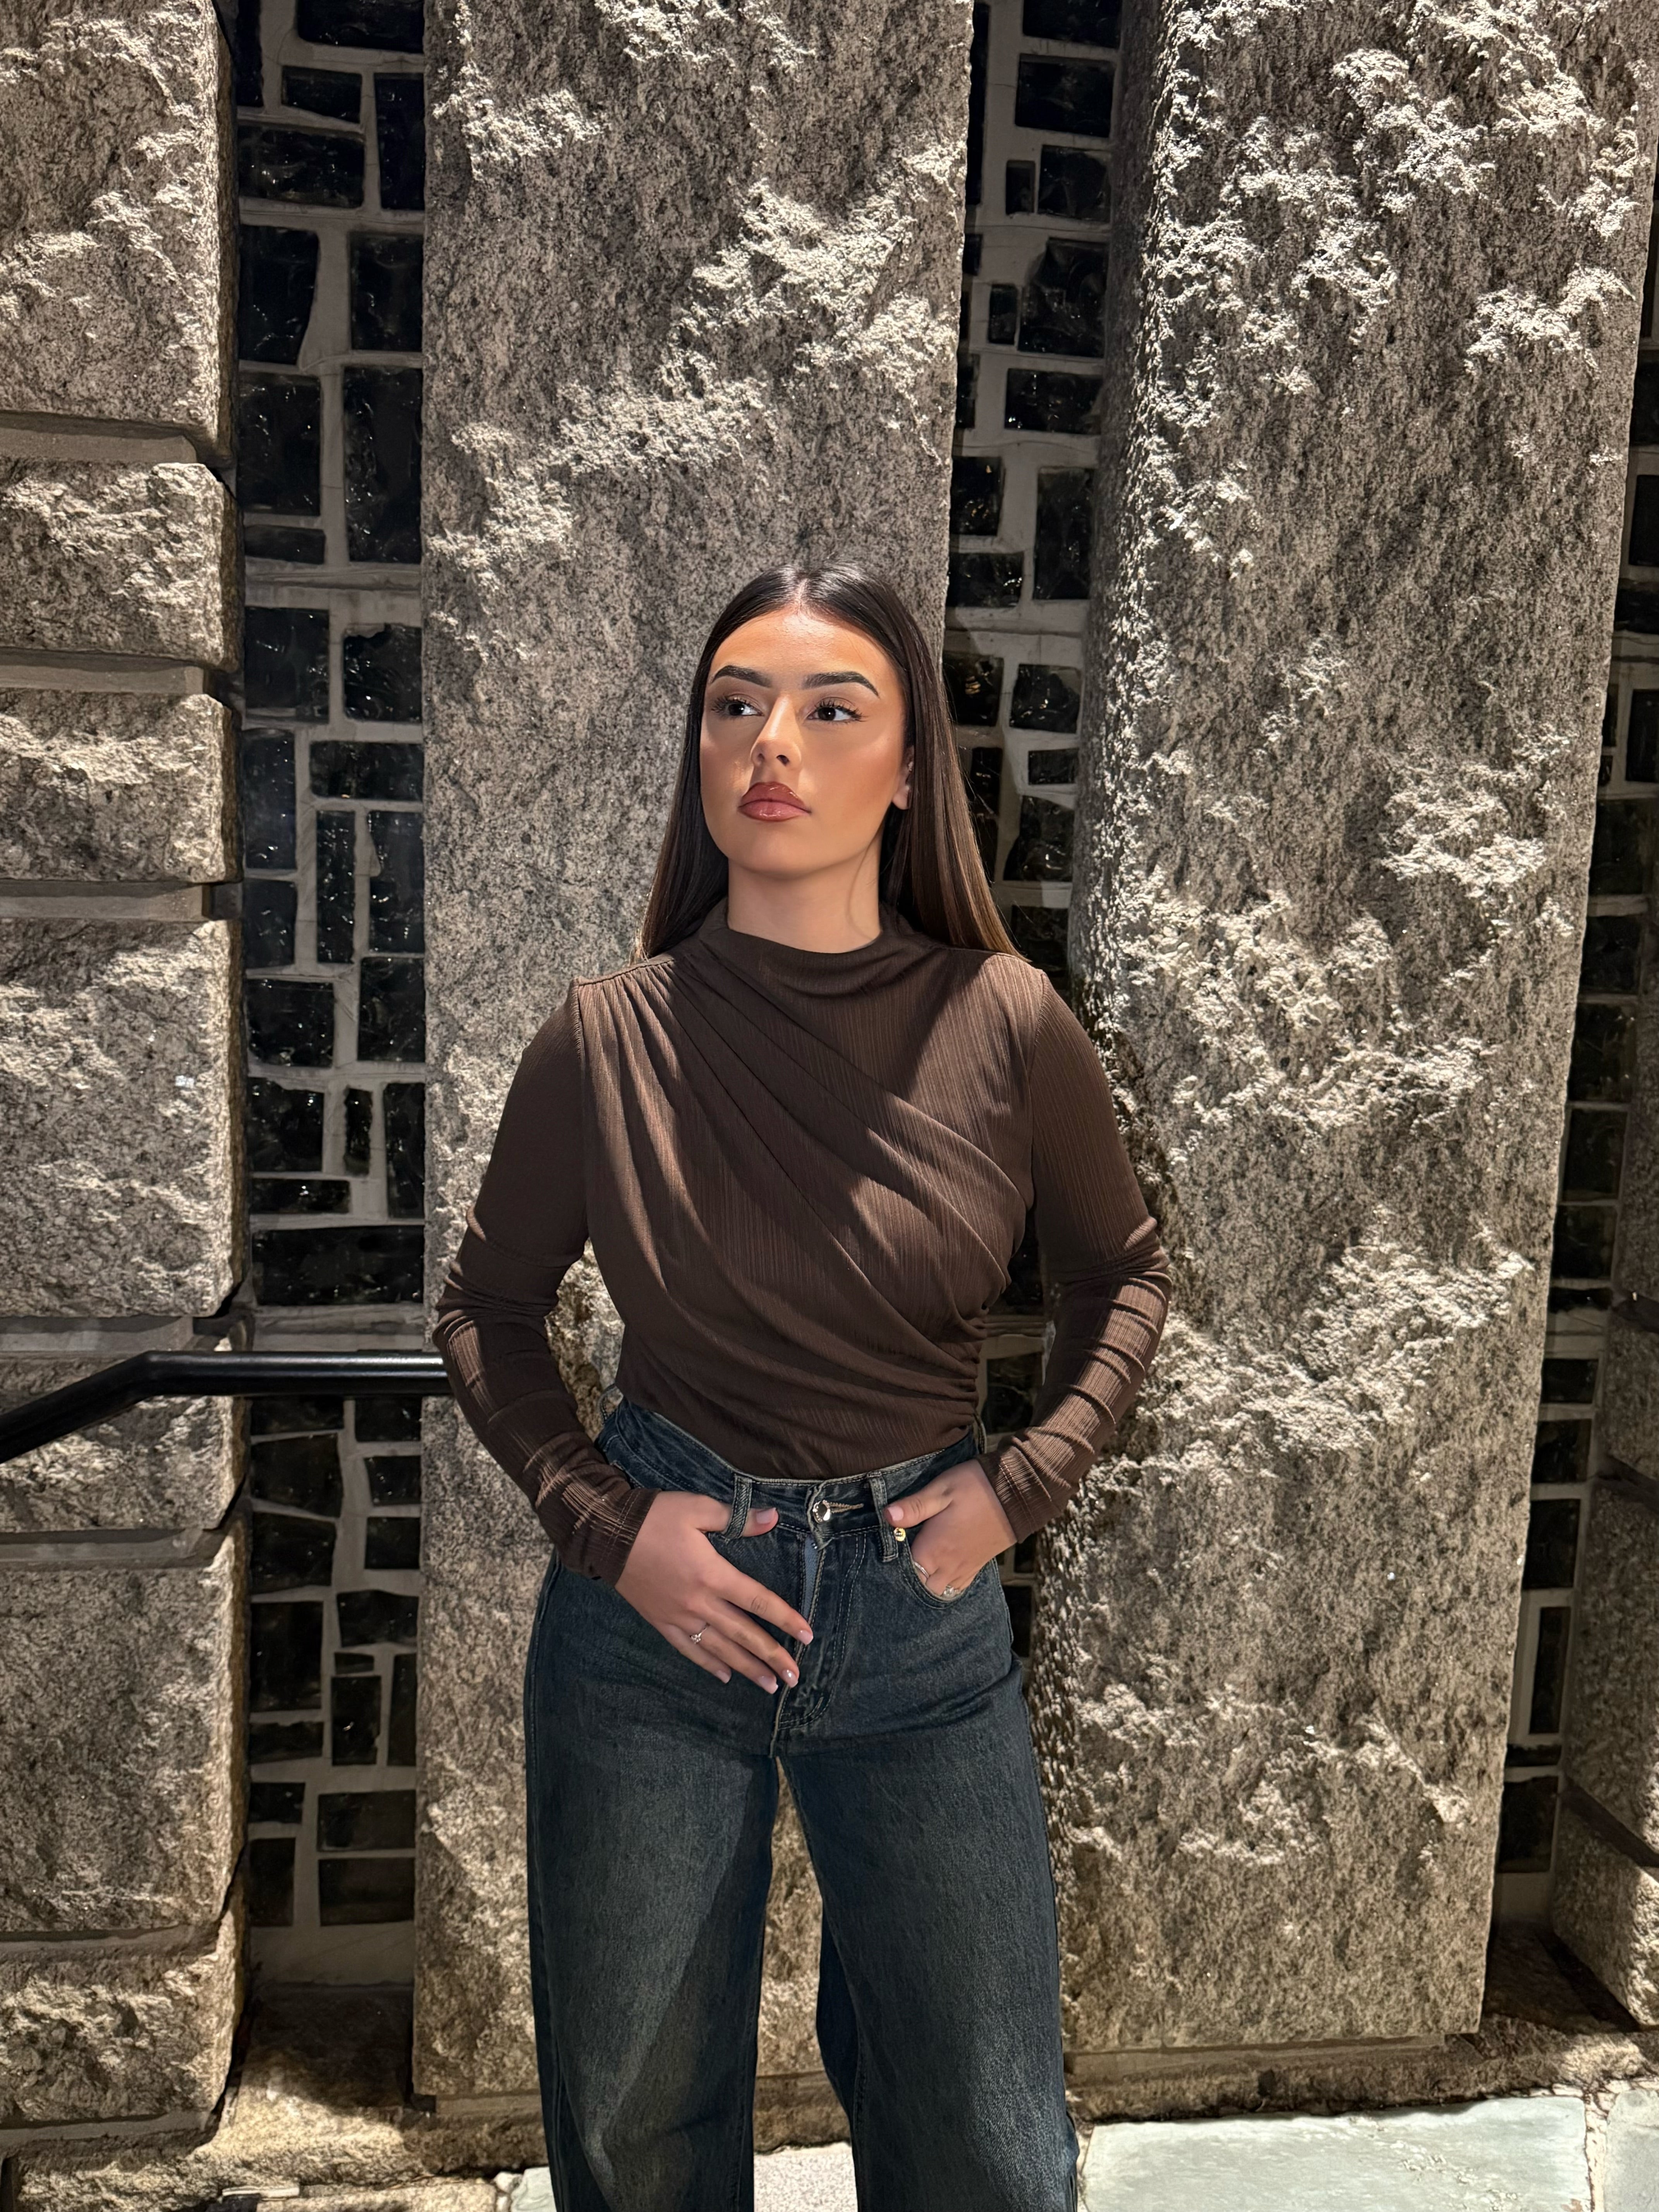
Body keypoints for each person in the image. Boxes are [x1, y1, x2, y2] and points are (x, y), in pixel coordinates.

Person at [433, 563, 1171, 2212]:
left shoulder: (1005, 1024)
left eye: (834, 710)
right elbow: (484, 1309)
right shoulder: (605, 1040)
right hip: (657, 1619)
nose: (773, 742)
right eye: (735, 706)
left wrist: (1020, 1487)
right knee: (634, 2139)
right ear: (700, 754)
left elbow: (1122, 1275)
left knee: (988, 2142)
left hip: (922, 1615)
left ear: (908, 771)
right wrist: (607, 1528)